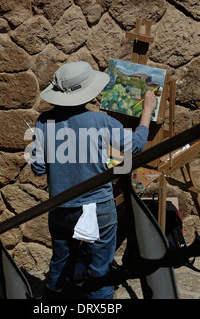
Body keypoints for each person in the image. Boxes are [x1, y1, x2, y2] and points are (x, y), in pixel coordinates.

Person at [29, 61, 156, 299]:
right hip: (98, 207)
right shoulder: (102, 122)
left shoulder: (43, 122)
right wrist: (147, 110)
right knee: (99, 272)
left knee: (60, 266)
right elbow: (136, 145)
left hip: (61, 208)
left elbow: (37, 168)